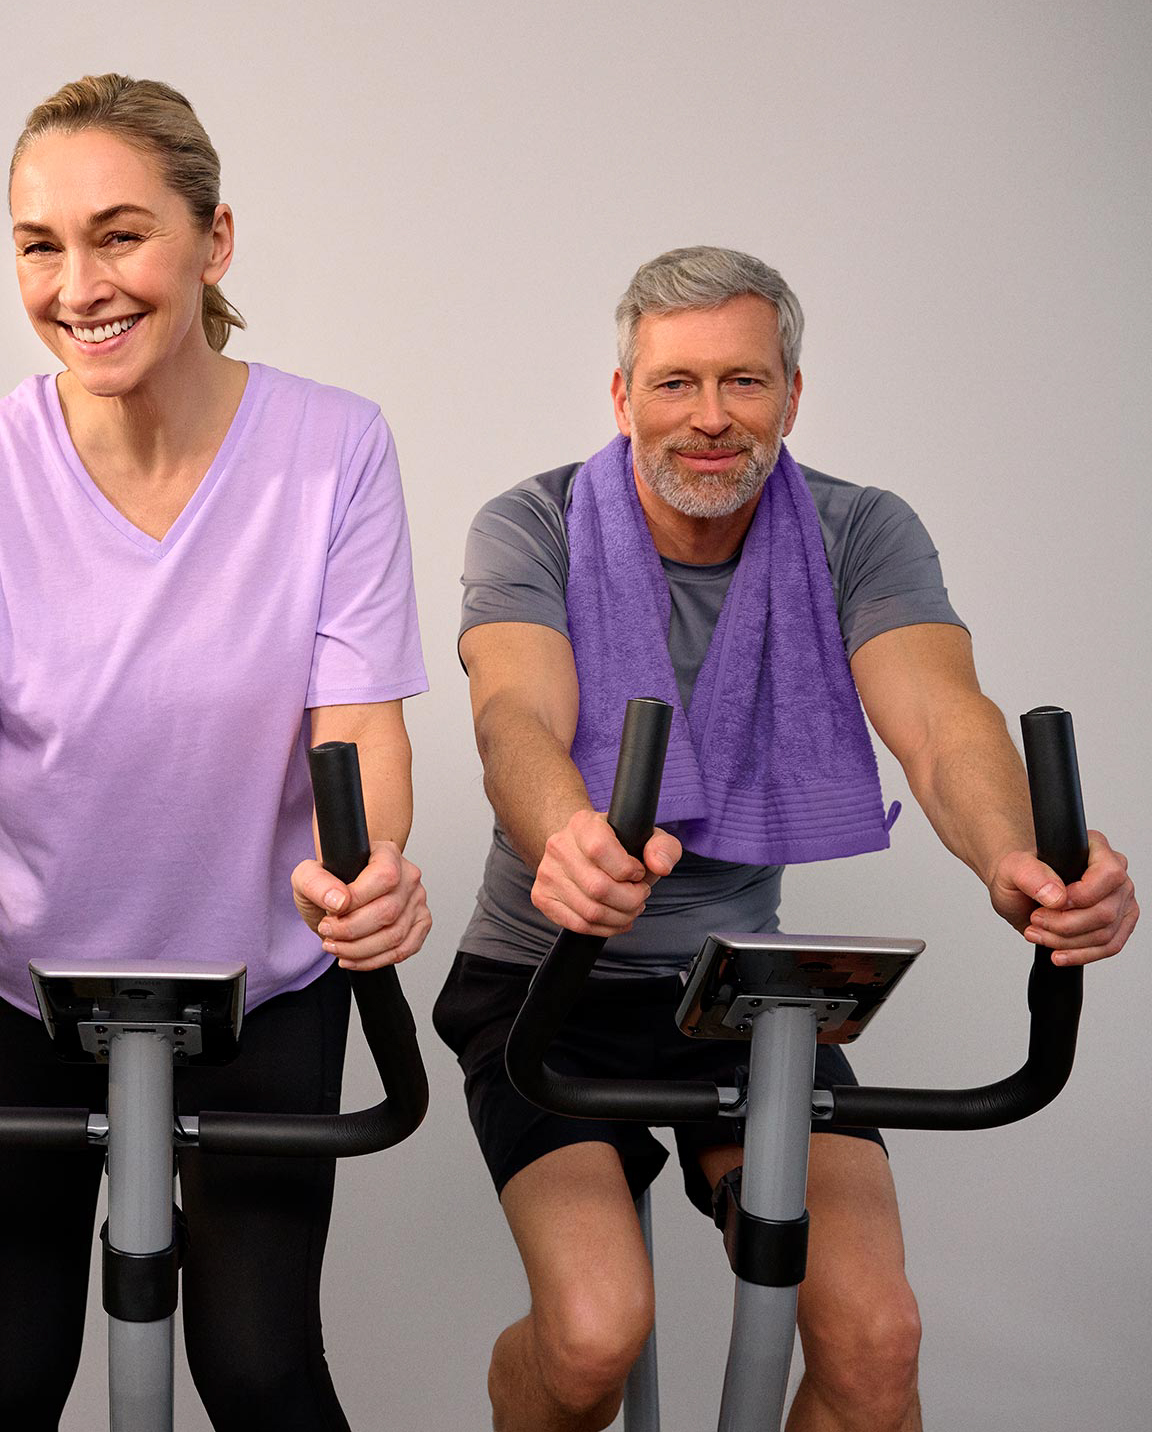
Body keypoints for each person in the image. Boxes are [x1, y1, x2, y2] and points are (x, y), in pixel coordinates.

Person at [433, 245, 1138, 1432]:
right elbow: (514, 712)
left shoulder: (856, 531)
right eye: (673, 384)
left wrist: (1016, 855)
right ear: (620, 398)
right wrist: (567, 837)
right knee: (593, 1333)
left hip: (738, 995)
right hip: (543, 979)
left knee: (874, 1348)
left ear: (791, 396)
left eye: (744, 383)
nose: (708, 418)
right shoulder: (533, 522)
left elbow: (938, 720)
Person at [0, 73, 432, 1431]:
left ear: (213, 243)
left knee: (261, 1365)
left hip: (258, 973)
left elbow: (359, 729)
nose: (77, 283)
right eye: (40, 245)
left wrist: (377, 866)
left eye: (119, 235)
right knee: (11, 1369)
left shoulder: (333, 448)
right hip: (22, 974)